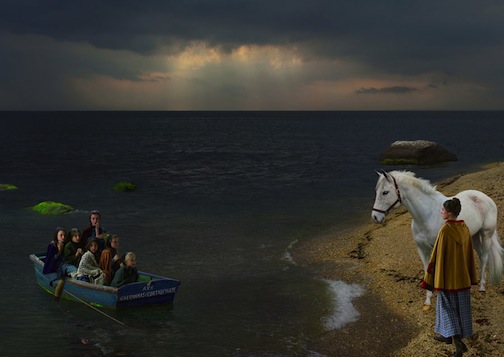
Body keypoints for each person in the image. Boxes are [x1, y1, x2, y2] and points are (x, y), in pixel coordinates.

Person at [420, 197, 478, 356]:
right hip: (462, 277)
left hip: (447, 278)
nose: (441, 212)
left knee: (446, 307)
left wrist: (430, 275)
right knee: (460, 309)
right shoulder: (465, 228)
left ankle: (458, 344)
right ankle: (446, 336)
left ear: (449, 213)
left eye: (443, 210)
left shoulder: (445, 230)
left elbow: (437, 255)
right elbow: (468, 254)